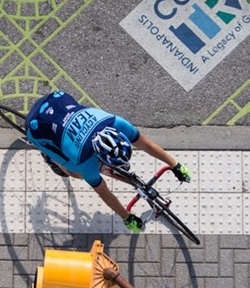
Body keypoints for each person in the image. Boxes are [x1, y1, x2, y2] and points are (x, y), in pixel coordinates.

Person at [23, 90, 191, 232]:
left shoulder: (117, 123)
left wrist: (175, 164)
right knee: (75, 172)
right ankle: (52, 158)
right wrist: (126, 217)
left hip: (59, 100)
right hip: (38, 127)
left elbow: (147, 145)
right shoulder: (85, 160)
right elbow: (104, 192)